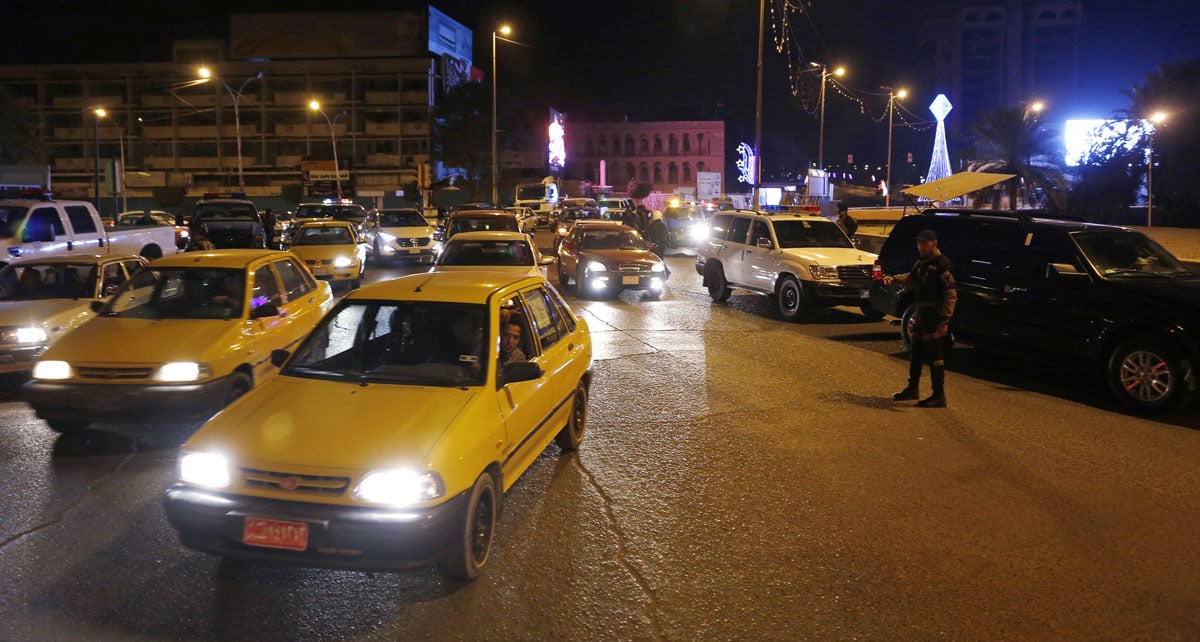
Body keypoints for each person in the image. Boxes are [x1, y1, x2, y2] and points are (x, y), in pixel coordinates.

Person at [882, 229, 957, 408]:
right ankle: (912, 388)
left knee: (935, 355)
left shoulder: (942, 265)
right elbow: (912, 278)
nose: (921, 246)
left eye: (925, 243)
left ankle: (939, 395)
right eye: (919, 243)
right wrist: (894, 279)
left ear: (934, 243)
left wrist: (945, 321)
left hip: (933, 315)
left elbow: (951, 294)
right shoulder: (922, 262)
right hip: (921, 313)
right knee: (916, 351)